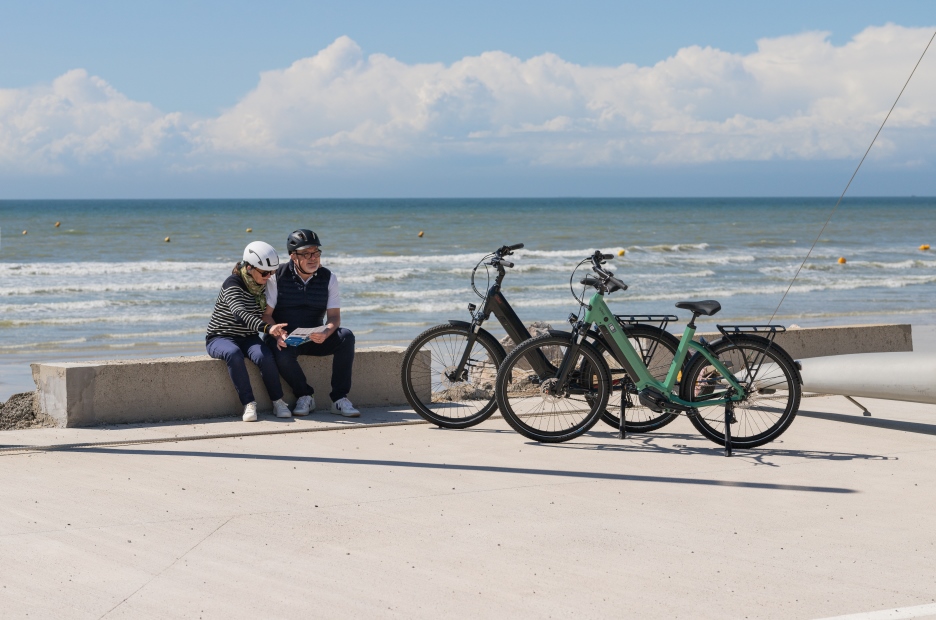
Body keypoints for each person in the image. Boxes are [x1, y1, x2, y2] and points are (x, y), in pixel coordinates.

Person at [263, 229, 359, 417]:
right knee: (279, 352)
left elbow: (334, 318)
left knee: (346, 337)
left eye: (316, 252)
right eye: (306, 253)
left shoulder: (329, 277)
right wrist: (278, 334)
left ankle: (339, 399)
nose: (313, 258)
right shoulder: (277, 277)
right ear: (293, 256)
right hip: (286, 338)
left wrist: (326, 333)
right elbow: (266, 315)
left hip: (315, 337)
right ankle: (305, 395)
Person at [206, 241, 292, 422]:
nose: (269, 276)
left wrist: (278, 333)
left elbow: (267, 314)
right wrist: (268, 329)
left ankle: (278, 401)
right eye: (264, 272)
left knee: (265, 356)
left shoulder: (264, 284)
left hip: (248, 336)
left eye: (272, 272)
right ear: (250, 267)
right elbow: (241, 314)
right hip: (220, 336)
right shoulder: (233, 283)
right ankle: (249, 403)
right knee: (233, 353)